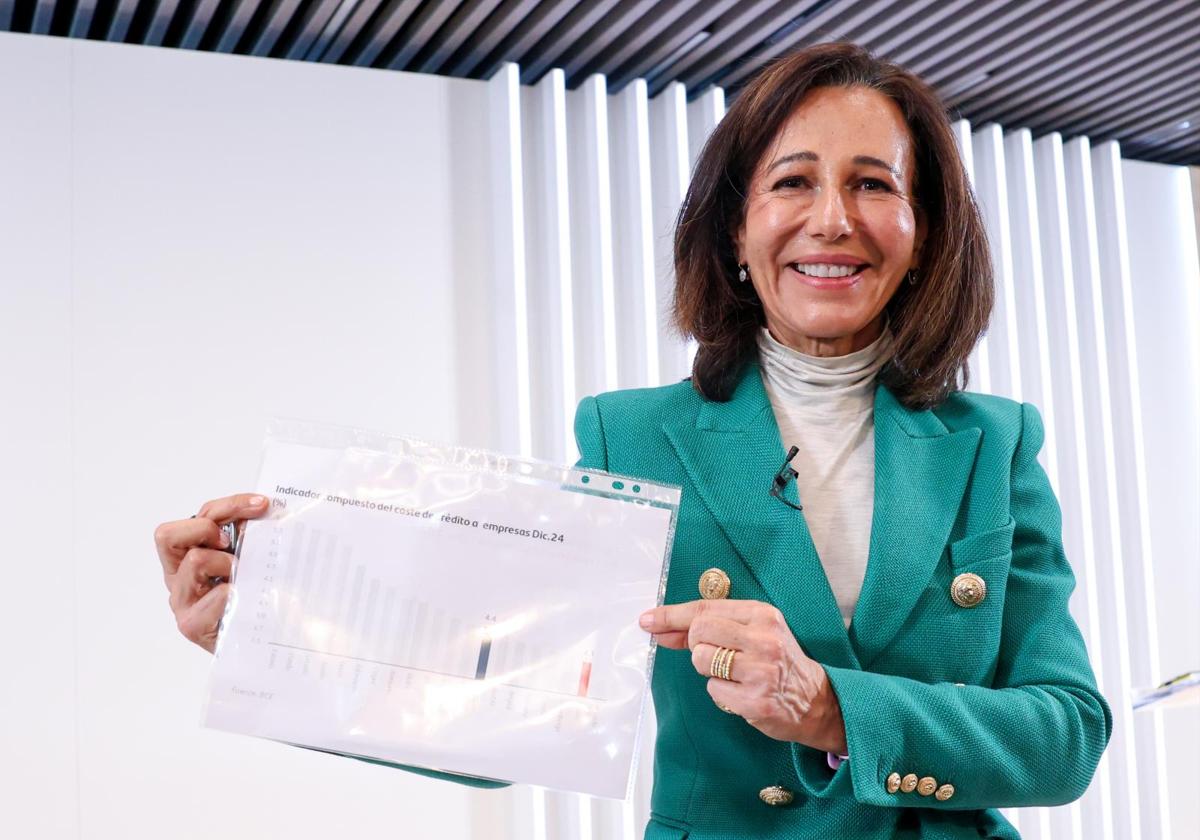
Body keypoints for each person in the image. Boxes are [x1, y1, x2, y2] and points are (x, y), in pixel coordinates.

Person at [155, 42, 1111, 839]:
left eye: (873, 184)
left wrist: (832, 708)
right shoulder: (632, 437)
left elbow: (1067, 734)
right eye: (793, 182)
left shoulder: (996, 443)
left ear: (922, 232)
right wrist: (271, 638)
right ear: (738, 230)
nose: (833, 219)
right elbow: (514, 709)